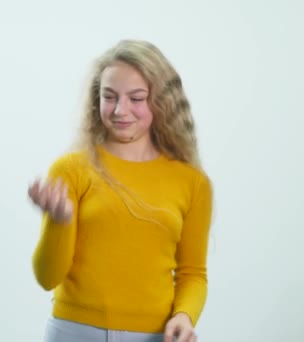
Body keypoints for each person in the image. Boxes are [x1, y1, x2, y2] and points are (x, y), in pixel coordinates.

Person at [28, 39, 213, 342]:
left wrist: (184, 316)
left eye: (136, 98)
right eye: (109, 96)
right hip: (73, 332)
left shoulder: (192, 182)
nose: (119, 110)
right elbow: (47, 278)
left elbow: (193, 274)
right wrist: (59, 220)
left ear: (162, 101)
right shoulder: (71, 169)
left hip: (154, 336)